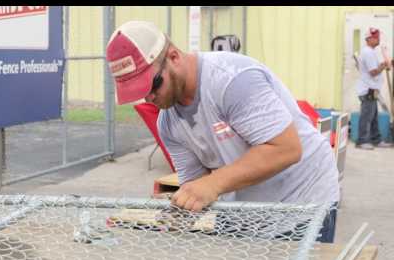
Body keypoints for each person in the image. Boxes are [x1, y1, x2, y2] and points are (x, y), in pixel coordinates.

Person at [106, 21, 340, 242]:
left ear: (174, 57)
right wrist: (180, 209)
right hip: (243, 214)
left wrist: (212, 185)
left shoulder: (231, 80)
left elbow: (286, 149)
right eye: (141, 92)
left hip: (302, 201)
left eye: (153, 85)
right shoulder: (168, 125)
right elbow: (197, 184)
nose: (150, 97)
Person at [356, 27, 393, 150]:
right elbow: (373, 72)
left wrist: (386, 63)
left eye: (378, 37)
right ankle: (362, 141)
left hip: (372, 89)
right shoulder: (367, 52)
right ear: (369, 39)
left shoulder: (371, 52)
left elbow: (376, 68)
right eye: (375, 37)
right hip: (368, 89)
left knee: (373, 116)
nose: (378, 39)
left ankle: (376, 139)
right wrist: (383, 66)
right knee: (366, 116)